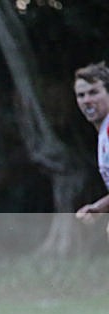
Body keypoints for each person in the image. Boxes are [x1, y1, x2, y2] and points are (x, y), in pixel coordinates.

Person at [74, 61, 109, 238]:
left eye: (93, 92)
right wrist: (98, 208)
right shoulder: (104, 133)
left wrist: (100, 207)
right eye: (81, 95)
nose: (87, 100)